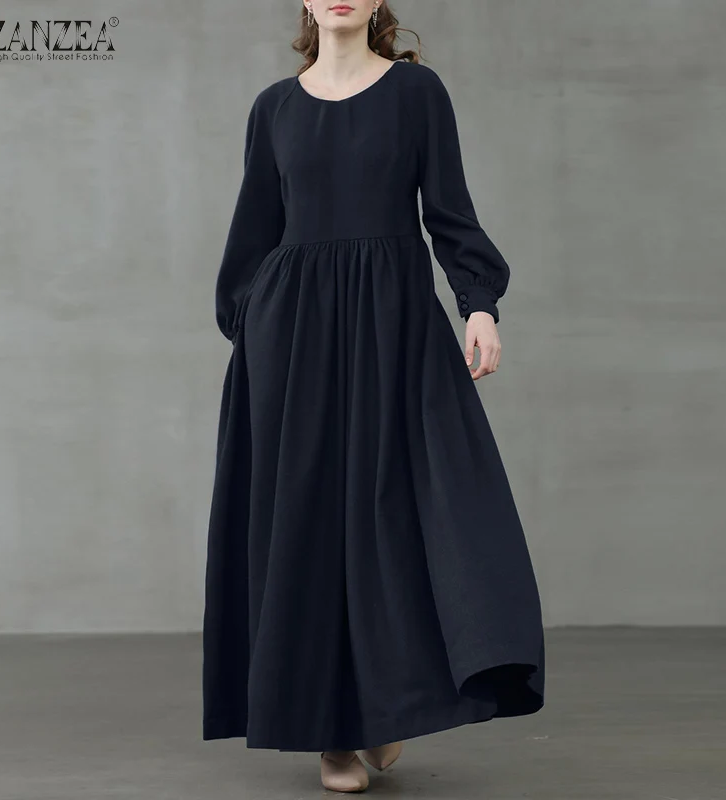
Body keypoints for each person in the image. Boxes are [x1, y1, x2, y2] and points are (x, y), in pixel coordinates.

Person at [202, 0, 545, 792]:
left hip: (394, 326)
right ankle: (332, 732)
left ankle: (387, 705)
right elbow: (254, 230)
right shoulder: (274, 108)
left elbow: (449, 210)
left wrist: (479, 305)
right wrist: (250, 327)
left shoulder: (417, 94)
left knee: (399, 516)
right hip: (293, 339)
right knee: (311, 523)